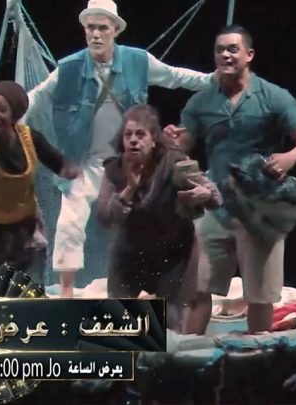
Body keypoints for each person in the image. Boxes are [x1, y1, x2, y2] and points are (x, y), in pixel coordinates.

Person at [25, 0, 216, 297]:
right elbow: (36, 97)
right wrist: (14, 115)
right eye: (90, 27)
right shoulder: (69, 67)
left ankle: (162, 284)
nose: (95, 34)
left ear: (115, 29)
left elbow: (175, 76)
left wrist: (212, 80)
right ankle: (66, 291)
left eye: (102, 27)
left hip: (130, 162)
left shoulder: (138, 61)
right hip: (86, 162)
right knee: (69, 223)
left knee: (155, 217)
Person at [168, 25, 296, 333]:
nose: (225, 55)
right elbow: (182, 147)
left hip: (259, 206)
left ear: (249, 55)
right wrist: (170, 142)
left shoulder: (273, 96)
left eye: (232, 49)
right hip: (214, 203)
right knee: (197, 289)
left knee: (259, 296)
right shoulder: (201, 102)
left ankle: (258, 353)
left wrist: (290, 157)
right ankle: (187, 351)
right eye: (219, 49)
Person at [97, 104, 221, 330]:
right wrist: (128, 190)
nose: (133, 140)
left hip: (172, 254)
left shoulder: (174, 162)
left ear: (154, 139)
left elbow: (215, 198)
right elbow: (104, 217)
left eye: (140, 134)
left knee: (170, 322)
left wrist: (205, 194)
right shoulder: (114, 169)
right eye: (128, 135)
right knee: (117, 320)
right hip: (130, 252)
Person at [0, 81, 80, 284]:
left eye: (0, 109)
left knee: (29, 288)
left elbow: (56, 161)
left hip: (25, 228)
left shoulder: (29, 137)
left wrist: (70, 170)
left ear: (14, 115)